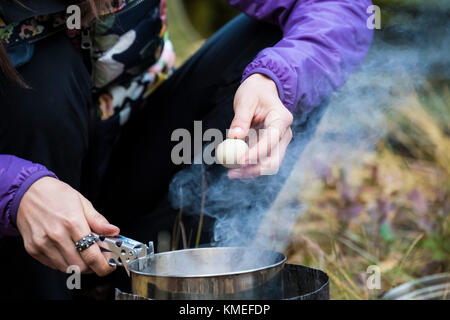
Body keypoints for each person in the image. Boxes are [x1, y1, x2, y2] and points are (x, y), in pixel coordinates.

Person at [0, 0, 373, 299]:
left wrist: (277, 79)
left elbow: (340, 7)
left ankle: (186, 282)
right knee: (43, 83)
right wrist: (16, 190)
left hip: (128, 167)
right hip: (21, 217)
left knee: (273, 47)